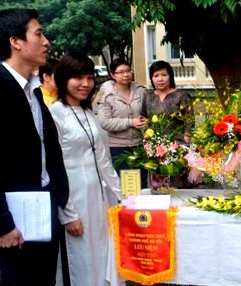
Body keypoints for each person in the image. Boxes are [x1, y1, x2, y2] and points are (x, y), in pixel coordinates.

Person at [0, 8, 69, 285]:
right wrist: (2, 226)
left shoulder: (34, 91)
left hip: (44, 209)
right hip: (14, 223)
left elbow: (47, 151)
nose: (46, 41)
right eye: (38, 34)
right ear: (16, 42)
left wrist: (58, 198)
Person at [50, 51, 121, 286]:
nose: (86, 84)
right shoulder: (55, 115)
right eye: (78, 78)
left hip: (99, 200)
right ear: (63, 78)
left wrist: (123, 198)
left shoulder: (88, 113)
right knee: (80, 261)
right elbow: (53, 168)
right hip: (74, 199)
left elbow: (103, 161)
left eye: (90, 78)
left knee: (102, 254)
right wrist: (68, 214)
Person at [142, 60, 195, 187]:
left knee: (178, 182)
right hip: (155, 147)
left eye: (164, 75)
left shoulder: (181, 95)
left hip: (177, 146)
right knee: (158, 182)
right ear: (151, 79)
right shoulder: (148, 97)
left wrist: (186, 139)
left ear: (170, 76)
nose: (160, 79)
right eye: (156, 76)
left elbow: (189, 120)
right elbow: (144, 117)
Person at [97, 58, 148, 187]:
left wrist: (147, 122)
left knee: (141, 182)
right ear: (112, 75)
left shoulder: (140, 91)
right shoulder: (106, 94)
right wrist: (131, 122)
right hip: (118, 146)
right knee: (125, 184)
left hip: (139, 144)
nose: (125, 75)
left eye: (127, 71)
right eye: (120, 72)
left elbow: (147, 113)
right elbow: (105, 122)